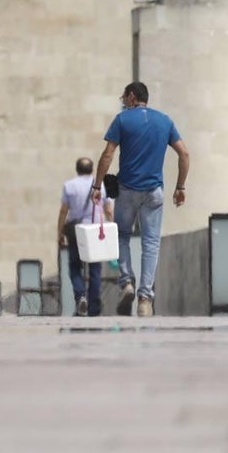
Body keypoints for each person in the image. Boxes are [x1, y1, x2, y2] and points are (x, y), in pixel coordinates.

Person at [91, 81, 190, 318]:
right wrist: (180, 187)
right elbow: (184, 153)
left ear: (133, 97)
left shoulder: (122, 120)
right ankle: (145, 299)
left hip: (127, 190)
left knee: (122, 234)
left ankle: (126, 282)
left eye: (124, 97)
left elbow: (107, 154)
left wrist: (97, 185)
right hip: (154, 192)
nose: (123, 102)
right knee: (151, 243)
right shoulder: (165, 121)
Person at [57, 157, 114, 316]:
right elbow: (109, 210)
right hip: (95, 230)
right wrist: (112, 227)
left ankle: (81, 296)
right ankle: (94, 308)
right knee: (95, 269)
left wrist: (60, 232)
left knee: (75, 266)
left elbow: (64, 211)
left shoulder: (69, 185)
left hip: (76, 229)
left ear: (77, 169)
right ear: (91, 169)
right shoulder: (101, 185)